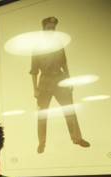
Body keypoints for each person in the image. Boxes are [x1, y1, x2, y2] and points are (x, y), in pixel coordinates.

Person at [30, 16, 90, 153]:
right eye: (49, 28)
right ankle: (42, 143)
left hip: (60, 80)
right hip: (44, 82)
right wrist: (35, 89)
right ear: (44, 29)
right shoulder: (37, 46)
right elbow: (34, 70)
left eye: (53, 28)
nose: (51, 30)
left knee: (69, 110)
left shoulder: (58, 43)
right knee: (42, 114)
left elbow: (64, 64)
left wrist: (69, 81)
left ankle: (77, 138)